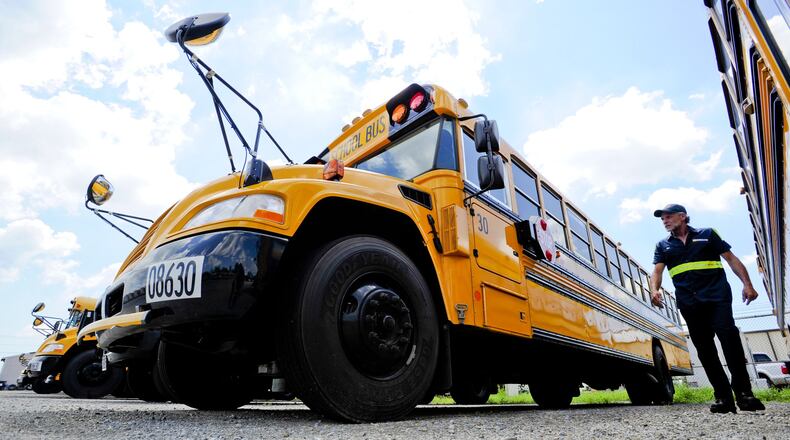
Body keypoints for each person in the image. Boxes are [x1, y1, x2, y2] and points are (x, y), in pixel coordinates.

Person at [650, 204, 765, 414]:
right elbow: (657, 272)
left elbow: (732, 259)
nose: (665, 221)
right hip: (689, 303)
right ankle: (723, 398)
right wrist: (654, 290)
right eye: (662, 219)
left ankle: (744, 394)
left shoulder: (708, 234)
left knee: (730, 342)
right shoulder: (663, 246)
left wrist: (748, 285)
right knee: (705, 350)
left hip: (717, 298)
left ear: (682, 216)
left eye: (668, 217)